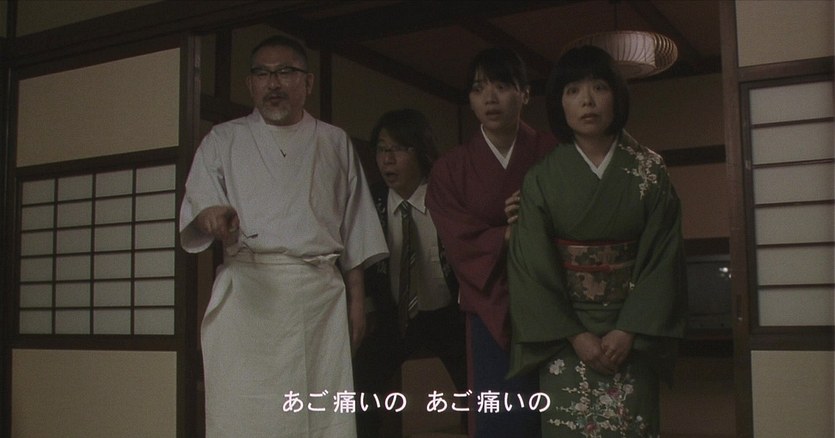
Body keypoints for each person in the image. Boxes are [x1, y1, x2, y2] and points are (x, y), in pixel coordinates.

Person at [179, 35, 388, 437]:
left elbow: (356, 231)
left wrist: (358, 304)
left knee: (319, 413)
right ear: (250, 84)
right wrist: (211, 217)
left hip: (317, 297)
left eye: (285, 72)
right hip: (249, 295)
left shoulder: (334, 141)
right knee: (244, 410)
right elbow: (201, 207)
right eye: (262, 74)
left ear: (307, 82)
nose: (273, 83)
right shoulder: (223, 139)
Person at [507, 45, 687, 437]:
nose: (587, 101)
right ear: (559, 103)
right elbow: (531, 265)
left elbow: (664, 256)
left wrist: (629, 329)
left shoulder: (650, 170)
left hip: (632, 334)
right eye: (573, 90)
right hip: (564, 336)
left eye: (599, 87)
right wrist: (575, 334)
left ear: (617, 96)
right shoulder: (541, 178)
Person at [426, 47, 557, 437]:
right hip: (488, 303)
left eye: (502, 86)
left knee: (556, 413)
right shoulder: (450, 168)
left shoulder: (553, 154)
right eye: (479, 88)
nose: (490, 97)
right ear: (469, 99)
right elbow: (457, 236)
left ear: (525, 93)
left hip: (554, 301)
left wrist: (536, 219)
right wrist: (507, 234)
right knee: (500, 414)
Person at [353, 109, 467, 437]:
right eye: (381, 149)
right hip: (394, 313)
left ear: (420, 151)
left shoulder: (446, 195)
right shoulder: (371, 201)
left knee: (475, 386)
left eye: (398, 149)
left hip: (448, 312)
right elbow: (358, 257)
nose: (387, 159)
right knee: (361, 383)